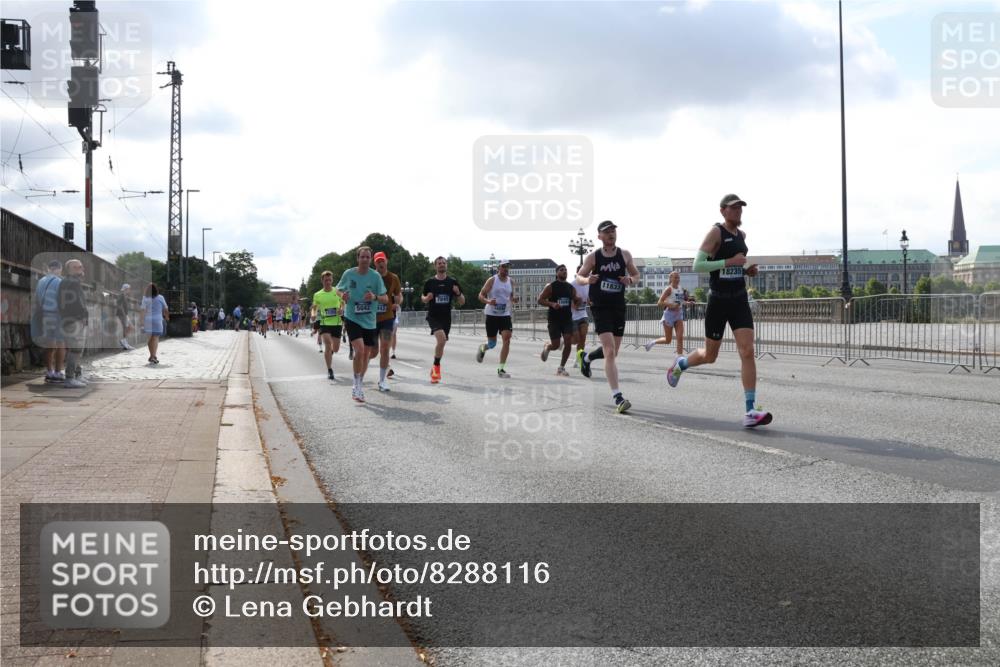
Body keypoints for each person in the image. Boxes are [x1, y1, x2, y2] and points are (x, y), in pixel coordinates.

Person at [666, 194, 772, 428]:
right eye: (734, 208)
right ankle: (680, 364)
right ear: (723, 211)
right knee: (710, 356)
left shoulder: (742, 236)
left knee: (747, 351)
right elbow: (698, 265)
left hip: (739, 300)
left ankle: (750, 410)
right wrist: (729, 262)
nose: (738, 211)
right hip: (718, 301)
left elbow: (735, 266)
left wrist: (746, 271)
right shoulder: (716, 233)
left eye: (740, 208)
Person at [576, 220, 639, 414]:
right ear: (599, 236)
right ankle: (618, 397)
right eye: (607, 231)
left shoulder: (625, 255)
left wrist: (630, 279)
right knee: (610, 351)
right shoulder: (593, 257)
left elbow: (636, 275)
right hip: (600, 307)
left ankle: (587, 357)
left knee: (612, 352)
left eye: (613, 231)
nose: (611, 234)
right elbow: (579, 276)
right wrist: (588, 279)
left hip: (618, 306)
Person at [337, 246, 388, 402]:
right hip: (352, 317)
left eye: (367, 257)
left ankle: (359, 382)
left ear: (370, 259)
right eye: (362, 257)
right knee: (359, 350)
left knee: (366, 354)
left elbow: (385, 298)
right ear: (357, 258)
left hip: (369, 320)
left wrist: (374, 297)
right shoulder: (349, 274)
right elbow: (338, 290)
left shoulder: (375, 277)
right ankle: (356, 386)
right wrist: (343, 295)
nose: (365, 259)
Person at [422, 256, 465, 384]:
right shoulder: (430, 282)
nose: (441, 265)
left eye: (443, 263)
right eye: (439, 263)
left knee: (442, 342)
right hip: (433, 316)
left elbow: (462, 302)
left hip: (446, 318)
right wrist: (426, 298)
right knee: (441, 339)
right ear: (435, 266)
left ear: (446, 265)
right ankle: (436, 369)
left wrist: (458, 293)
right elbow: (422, 298)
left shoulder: (452, 282)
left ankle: (435, 366)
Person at [475, 260, 518, 378]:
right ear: (499, 268)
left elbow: (510, 296)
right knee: (492, 344)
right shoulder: (492, 280)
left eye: (508, 267)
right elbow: (480, 295)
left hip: (505, 314)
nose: (506, 269)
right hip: (492, 315)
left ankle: (501, 369)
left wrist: (514, 299)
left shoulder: (511, 281)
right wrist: (489, 301)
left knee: (507, 339)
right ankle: (483, 348)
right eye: (503, 266)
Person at [539, 264, 581, 376]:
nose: (564, 271)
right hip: (554, 320)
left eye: (566, 270)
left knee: (568, 342)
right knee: (556, 345)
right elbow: (540, 299)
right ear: (556, 273)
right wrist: (552, 304)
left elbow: (576, 299)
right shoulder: (551, 286)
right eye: (562, 270)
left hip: (567, 319)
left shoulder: (570, 287)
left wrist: (578, 301)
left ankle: (561, 368)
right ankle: (548, 347)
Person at [372, 251, 402, 392]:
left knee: (385, 348)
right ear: (375, 263)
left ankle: (382, 380)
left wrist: (397, 301)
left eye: (382, 260)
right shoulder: (370, 276)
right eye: (378, 261)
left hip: (387, 318)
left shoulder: (393, 278)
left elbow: (398, 294)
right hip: (370, 319)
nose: (380, 263)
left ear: (386, 261)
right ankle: (360, 366)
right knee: (372, 352)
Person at [58, 260, 89, 388]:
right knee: (76, 349)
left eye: (81, 266)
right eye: (78, 267)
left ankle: (77, 375)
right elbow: (78, 302)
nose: (82, 269)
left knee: (76, 349)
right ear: (71, 269)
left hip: (69, 319)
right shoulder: (73, 282)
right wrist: (83, 316)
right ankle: (70, 378)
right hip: (74, 320)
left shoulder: (66, 282)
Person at [644, 271, 691, 355]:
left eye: (678, 277)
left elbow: (680, 301)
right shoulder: (668, 289)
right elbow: (659, 302)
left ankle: (679, 358)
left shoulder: (680, 288)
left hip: (679, 315)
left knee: (680, 338)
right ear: (671, 278)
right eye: (675, 277)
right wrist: (671, 305)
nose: (677, 279)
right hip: (669, 315)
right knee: (668, 340)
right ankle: (653, 342)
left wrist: (687, 303)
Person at [34, 259, 66, 384]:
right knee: (61, 344)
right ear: (59, 269)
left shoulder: (40, 281)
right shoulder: (59, 281)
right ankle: (58, 373)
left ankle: (49, 371)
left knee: (49, 344)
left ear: (49, 268)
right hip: (57, 316)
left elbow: (37, 299)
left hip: (45, 315)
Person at [312, 271, 345, 379]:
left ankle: (330, 353)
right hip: (324, 323)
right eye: (326, 280)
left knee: (335, 348)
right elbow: (314, 308)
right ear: (322, 281)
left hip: (337, 323)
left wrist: (342, 309)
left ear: (332, 280)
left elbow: (343, 302)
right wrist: (313, 315)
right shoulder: (318, 294)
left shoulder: (337, 291)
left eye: (330, 280)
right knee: (327, 344)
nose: (328, 282)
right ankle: (329, 370)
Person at [141, 283, 169, 364]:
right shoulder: (160, 297)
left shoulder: (145, 298)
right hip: (157, 320)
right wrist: (167, 317)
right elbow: (166, 309)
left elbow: (142, 310)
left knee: (150, 339)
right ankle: (153, 356)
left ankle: (151, 356)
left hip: (148, 320)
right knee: (155, 338)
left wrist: (141, 322)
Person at [571, 278, 590, 368]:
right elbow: (569, 298)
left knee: (583, 338)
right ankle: (564, 340)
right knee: (576, 340)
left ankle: (578, 359)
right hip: (573, 317)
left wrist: (591, 302)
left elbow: (588, 297)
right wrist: (575, 305)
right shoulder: (572, 284)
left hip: (583, 315)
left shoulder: (588, 284)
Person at [116, 283, 134, 350]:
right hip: (122, 314)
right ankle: (124, 342)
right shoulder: (121, 295)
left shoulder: (124, 295)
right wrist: (123, 314)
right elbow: (119, 305)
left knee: (130, 327)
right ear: (126, 289)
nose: (130, 290)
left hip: (125, 314)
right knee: (126, 327)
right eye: (129, 289)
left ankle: (124, 341)